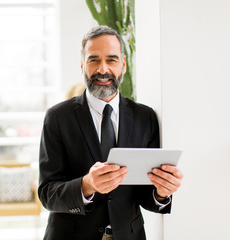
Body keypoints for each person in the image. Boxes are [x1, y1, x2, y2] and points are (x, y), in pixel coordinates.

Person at [38, 26, 183, 240]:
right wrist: (86, 185)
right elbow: (47, 193)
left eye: (112, 60)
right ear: (82, 65)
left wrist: (162, 192)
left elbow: (145, 193)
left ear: (123, 65)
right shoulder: (58, 117)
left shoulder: (146, 117)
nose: (102, 69)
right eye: (93, 60)